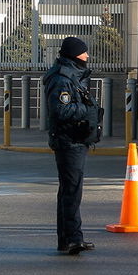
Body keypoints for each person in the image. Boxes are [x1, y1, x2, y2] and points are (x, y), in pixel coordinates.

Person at [45, 36, 102, 255]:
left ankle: (70, 237)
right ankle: (71, 239)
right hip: (68, 140)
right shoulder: (62, 79)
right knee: (71, 191)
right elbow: (60, 110)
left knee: (70, 190)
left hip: (75, 139)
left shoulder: (73, 75)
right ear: (74, 54)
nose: (87, 56)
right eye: (84, 52)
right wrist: (87, 111)